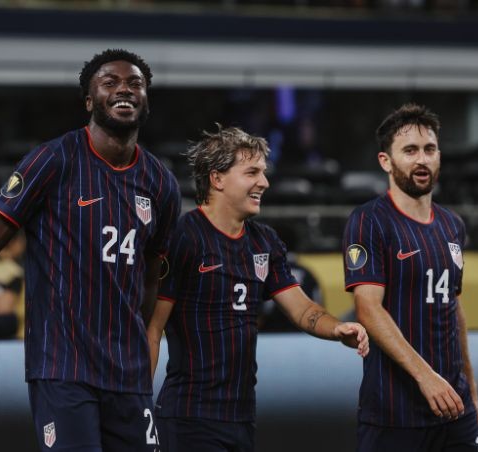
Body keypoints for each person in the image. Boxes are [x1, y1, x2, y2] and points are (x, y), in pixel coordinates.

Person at [0, 49, 181, 452]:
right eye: (110, 82)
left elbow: (152, 279)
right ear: (89, 101)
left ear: (146, 99)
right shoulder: (53, 161)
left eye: (135, 83)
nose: (124, 89)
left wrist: (144, 354)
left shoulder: (161, 183)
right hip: (63, 371)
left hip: (129, 378)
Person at [147, 125, 369, 452]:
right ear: (217, 178)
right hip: (188, 417)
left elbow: (303, 309)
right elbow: (153, 328)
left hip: (241, 417)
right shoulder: (183, 237)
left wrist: (337, 328)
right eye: (252, 172)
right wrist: (139, 403)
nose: (264, 182)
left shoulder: (265, 242)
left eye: (263, 172)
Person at [342, 103, 478, 451]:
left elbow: (454, 309)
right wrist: (426, 377)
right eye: (410, 151)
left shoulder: (452, 225)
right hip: (394, 415)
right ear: (385, 161)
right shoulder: (368, 221)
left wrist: (471, 391)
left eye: (429, 149)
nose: (422, 159)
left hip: (454, 410)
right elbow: (368, 309)